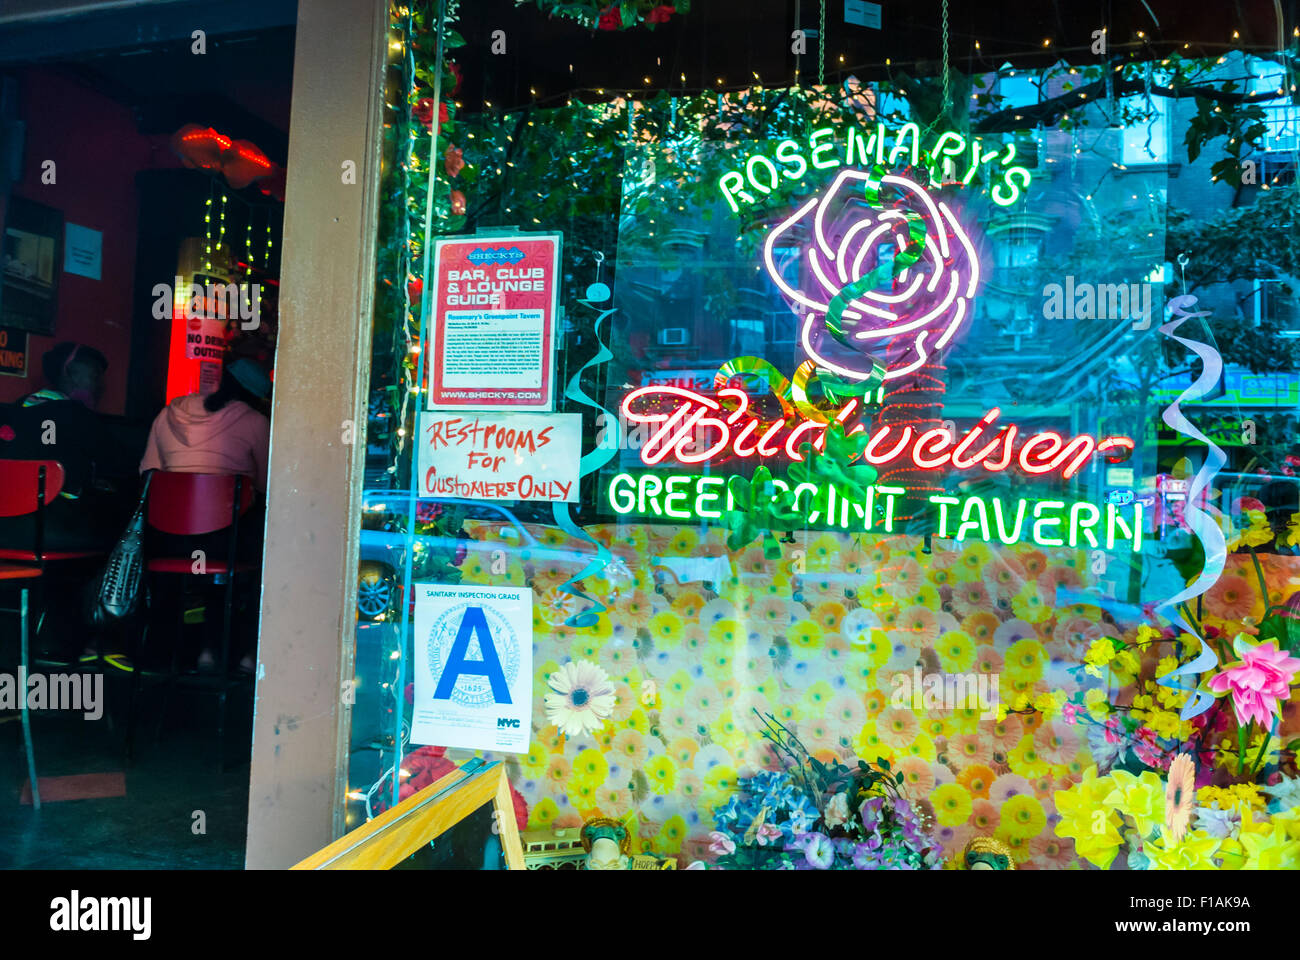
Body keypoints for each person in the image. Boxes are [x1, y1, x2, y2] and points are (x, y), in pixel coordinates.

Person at [0, 342, 136, 666]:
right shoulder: (76, 415)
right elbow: (124, 467)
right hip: (50, 533)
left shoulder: (11, 411)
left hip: (6, 532)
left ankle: (46, 633)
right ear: (69, 375)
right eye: (94, 377)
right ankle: (94, 639)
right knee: (121, 533)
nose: (100, 386)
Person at [139, 356, 271, 674]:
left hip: (167, 544)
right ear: (255, 395)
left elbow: (148, 474)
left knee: (183, 579)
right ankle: (236, 653)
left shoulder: (166, 414)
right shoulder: (255, 421)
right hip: (225, 545)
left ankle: (162, 653)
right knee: (267, 560)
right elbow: (271, 483)